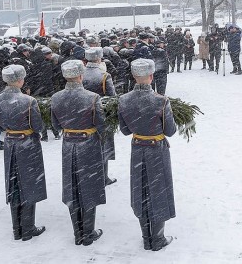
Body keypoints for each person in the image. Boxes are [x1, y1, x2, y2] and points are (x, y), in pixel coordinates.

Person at [117, 58, 177, 251]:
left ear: (134, 76)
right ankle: (157, 238)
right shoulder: (161, 100)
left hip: (137, 148)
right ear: (151, 76)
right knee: (158, 191)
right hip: (156, 149)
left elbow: (125, 130)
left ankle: (146, 237)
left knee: (140, 191)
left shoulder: (124, 100)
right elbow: (170, 131)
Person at [51, 60, 106, 246]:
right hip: (88, 144)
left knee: (72, 188)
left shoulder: (56, 97)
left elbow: (56, 126)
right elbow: (101, 124)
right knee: (88, 187)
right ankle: (88, 233)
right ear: (81, 76)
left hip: (68, 145)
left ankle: (78, 233)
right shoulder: (92, 97)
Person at [0, 65, 47, 241]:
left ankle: (17, 229)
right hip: (27, 144)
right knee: (29, 185)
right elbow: (38, 126)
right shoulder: (28, 101)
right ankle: (28, 228)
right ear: (20, 80)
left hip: (10, 143)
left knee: (13, 185)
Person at [82, 48, 117, 186]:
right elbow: (111, 97)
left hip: (82, 115)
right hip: (101, 114)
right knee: (103, 147)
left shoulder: (80, 74)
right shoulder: (104, 75)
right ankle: (103, 177)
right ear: (99, 58)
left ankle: (87, 173)